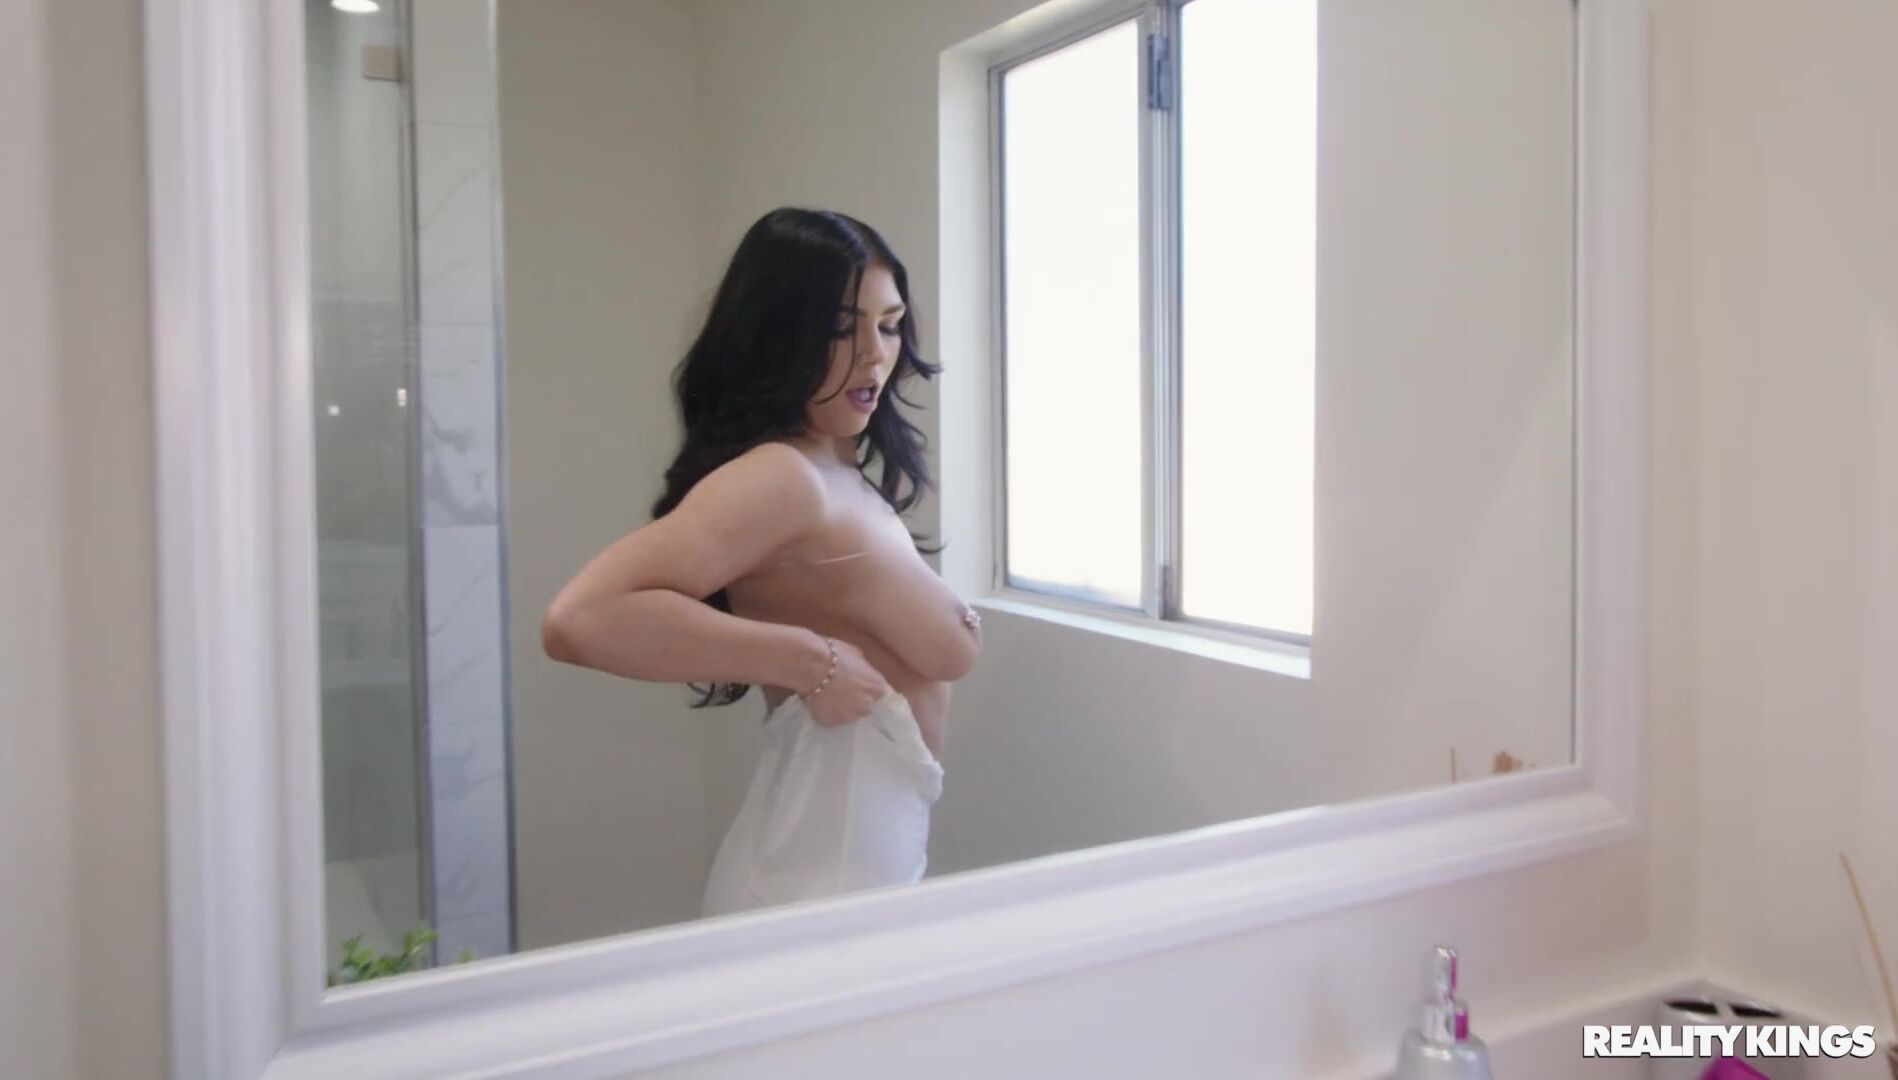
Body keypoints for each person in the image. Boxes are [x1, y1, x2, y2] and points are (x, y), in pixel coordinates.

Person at [540, 207, 983, 916]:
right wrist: (811, 662)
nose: (874, 355)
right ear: (780, 334)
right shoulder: (782, 477)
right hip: (810, 888)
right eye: (841, 328)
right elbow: (579, 619)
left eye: (890, 324)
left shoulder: (834, 468)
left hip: (842, 877)